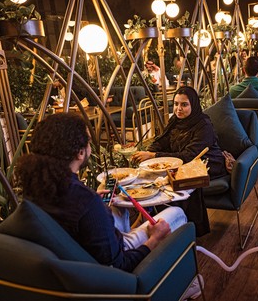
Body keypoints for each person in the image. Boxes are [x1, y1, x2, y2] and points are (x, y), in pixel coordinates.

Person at [13, 113, 189, 271]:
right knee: (176, 213)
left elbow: (74, 215)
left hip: (77, 257)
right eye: (88, 142)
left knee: (117, 208)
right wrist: (154, 239)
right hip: (111, 267)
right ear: (80, 153)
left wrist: (98, 205)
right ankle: (188, 283)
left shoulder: (36, 188)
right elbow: (119, 265)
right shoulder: (86, 202)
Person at [131, 86, 226, 236]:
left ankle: (179, 229)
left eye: (184, 104)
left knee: (174, 183)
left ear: (193, 105)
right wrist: (149, 150)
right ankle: (158, 222)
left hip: (206, 164)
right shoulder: (175, 120)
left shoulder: (203, 125)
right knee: (153, 179)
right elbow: (162, 141)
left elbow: (190, 156)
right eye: (175, 104)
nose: (178, 109)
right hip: (182, 162)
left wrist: (153, 156)